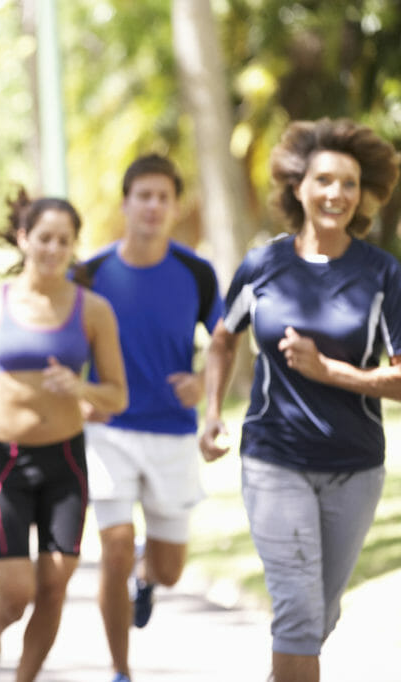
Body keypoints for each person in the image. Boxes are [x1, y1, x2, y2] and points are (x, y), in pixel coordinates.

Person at [200, 118, 401, 682]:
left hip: (355, 467)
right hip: (274, 459)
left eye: (350, 184)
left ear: (363, 195)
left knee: (318, 618)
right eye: (325, 180)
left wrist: (331, 371)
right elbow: (222, 340)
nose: (337, 193)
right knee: (297, 617)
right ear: (299, 187)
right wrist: (213, 415)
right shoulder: (263, 266)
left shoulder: (382, 274)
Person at [0, 190, 127, 682]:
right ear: (25, 239)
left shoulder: (94, 311)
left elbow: (117, 396)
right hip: (5, 460)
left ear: (74, 247)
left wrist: (82, 385)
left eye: (64, 241)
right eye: (44, 238)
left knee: (53, 586)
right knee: (16, 593)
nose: (53, 249)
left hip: (65, 463)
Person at [75, 154, 223, 682]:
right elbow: (62, 339)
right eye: (144, 196)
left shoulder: (197, 273)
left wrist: (205, 385)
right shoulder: (90, 273)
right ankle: (120, 670)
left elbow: (226, 342)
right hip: (108, 430)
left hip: (172, 434)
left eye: (164, 197)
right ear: (126, 204)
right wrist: (79, 398)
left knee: (170, 569)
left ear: (175, 206)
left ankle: (147, 571)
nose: (154, 206)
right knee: (111, 549)